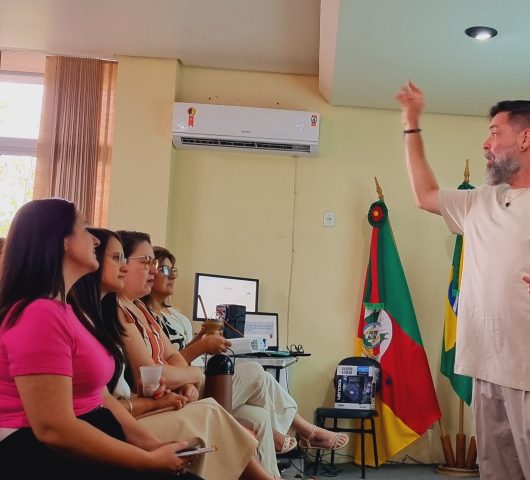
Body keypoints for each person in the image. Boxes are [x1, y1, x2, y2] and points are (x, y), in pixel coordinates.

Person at [395, 82, 530, 480]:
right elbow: (424, 194)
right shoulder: (481, 200)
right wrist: (411, 123)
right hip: (487, 370)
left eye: (495, 133)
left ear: (526, 138)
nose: (486, 144)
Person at [115, 232, 347, 476]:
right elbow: (152, 373)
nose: (159, 273)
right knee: (255, 373)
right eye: (150, 264)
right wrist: (195, 367)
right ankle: (303, 431)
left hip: (182, 384)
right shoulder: (122, 311)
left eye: (163, 267)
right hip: (170, 392)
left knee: (259, 416)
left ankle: (279, 459)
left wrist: (189, 374)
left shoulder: (148, 312)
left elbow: (173, 359)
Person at [0, 198, 199, 479]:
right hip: (33, 453)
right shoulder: (39, 314)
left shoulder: (65, 311)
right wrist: (146, 461)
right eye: (84, 229)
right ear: (62, 241)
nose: (95, 240)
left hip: (87, 434)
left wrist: (153, 447)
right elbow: (54, 429)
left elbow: (102, 398)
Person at [69, 227, 274, 480]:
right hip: (125, 416)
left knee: (256, 415)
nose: (154, 271)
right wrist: (191, 375)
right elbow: (143, 378)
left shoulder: (132, 310)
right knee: (220, 405)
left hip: (139, 406)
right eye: (145, 262)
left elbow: (169, 361)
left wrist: (182, 384)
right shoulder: (106, 313)